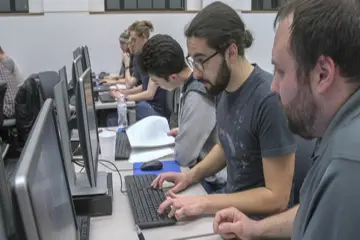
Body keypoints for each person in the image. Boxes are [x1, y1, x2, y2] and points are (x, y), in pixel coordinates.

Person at [212, 0, 360, 239]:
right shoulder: (335, 128)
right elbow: (313, 210)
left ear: (323, 74)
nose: (274, 87)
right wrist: (256, 229)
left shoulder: (348, 165)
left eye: (280, 71)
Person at [151, 1, 296, 220]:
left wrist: (203, 203)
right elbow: (227, 144)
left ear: (231, 52)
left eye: (201, 61)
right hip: (230, 211)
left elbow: (277, 198)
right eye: (193, 62)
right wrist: (190, 177)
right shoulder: (222, 87)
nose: (196, 74)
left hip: (256, 224)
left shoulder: (268, 99)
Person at [137, 34, 226, 191]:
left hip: (213, 181)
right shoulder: (186, 87)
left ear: (172, 77)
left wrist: (186, 135)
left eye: (157, 82)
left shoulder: (196, 96)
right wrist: (185, 131)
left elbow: (184, 157)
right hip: (200, 170)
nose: (156, 86)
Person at [110, 20, 169, 122]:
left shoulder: (154, 56)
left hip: (154, 109)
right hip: (146, 105)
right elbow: (144, 87)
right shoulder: (140, 56)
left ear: (143, 37)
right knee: (112, 115)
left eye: (134, 40)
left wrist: (123, 97)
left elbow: (150, 94)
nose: (131, 43)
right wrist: (124, 92)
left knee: (112, 119)